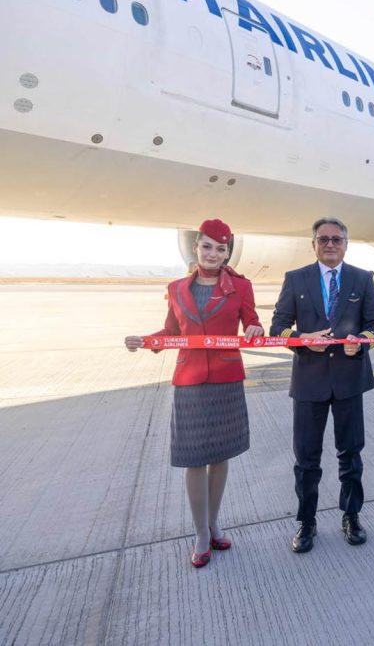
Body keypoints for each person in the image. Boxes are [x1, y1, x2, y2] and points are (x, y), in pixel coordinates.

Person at [124, 219, 264, 568]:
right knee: (193, 459)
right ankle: (201, 532)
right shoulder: (176, 289)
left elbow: (252, 323)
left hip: (226, 381)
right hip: (189, 381)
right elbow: (172, 331)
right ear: (196, 247)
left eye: (221, 249)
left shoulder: (241, 288)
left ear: (228, 252)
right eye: (207, 247)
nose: (213, 254)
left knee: (220, 457)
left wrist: (256, 329)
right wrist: (147, 341)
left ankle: (214, 523)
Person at [270, 217, 374, 554]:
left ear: (346, 244)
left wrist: (362, 341)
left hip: (350, 380)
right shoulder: (296, 279)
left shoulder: (362, 279)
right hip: (309, 383)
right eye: (324, 239)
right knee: (306, 459)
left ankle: (351, 516)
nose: (330, 244)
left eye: (336, 239)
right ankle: (307, 521)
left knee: (351, 454)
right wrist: (301, 339)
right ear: (314, 244)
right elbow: (277, 327)